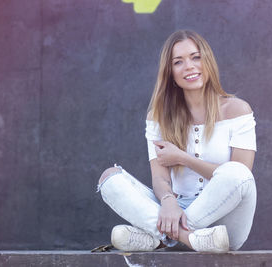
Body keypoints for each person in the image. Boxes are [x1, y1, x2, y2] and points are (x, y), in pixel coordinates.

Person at [97, 30, 257, 253]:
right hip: (176, 209)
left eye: (195, 57)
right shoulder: (159, 117)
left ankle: (162, 239)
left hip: (225, 223)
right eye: (178, 62)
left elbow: (240, 178)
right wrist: (169, 201)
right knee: (110, 179)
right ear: (170, 73)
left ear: (207, 61)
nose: (189, 66)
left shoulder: (238, 110)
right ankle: (191, 239)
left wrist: (183, 158)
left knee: (238, 174)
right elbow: (160, 177)